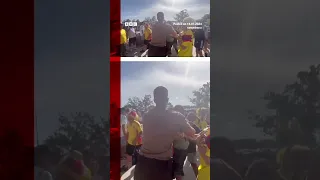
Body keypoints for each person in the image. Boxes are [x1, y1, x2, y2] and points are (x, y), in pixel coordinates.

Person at [134, 86, 196, 180]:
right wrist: (180, 132)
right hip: (162, 166)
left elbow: (158, 133)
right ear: (167, 99)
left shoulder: (146, 116)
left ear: (154, 100)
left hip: (143, 164)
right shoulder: (175, 117)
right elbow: (192, 132)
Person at [172, 105, 189, 180]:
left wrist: (183, 135)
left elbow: (192, 132)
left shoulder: (184, 122)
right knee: (176, 169)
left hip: (181, 148)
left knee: (178, 170)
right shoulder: (175, 122)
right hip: (176, 148)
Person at [185, 112, 202, 177]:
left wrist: (190, 137)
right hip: (187, 147)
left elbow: (199, 134)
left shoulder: (193, 125)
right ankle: (197, 176)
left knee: (193, 163)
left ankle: (197, 176)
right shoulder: (185, 124)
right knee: (192, 163)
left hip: (189, 147)